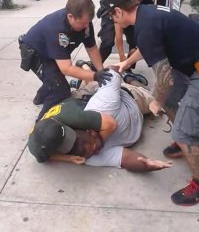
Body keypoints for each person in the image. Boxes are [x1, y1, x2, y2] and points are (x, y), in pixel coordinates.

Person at [100, 0, 199, 206]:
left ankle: (195, 170)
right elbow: (149, 46)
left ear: (118, 11)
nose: (112, 20)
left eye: (110, 15)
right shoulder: (147, 14)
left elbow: (165, 79)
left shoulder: (144, 28)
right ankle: (186, 139)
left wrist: (156, 101)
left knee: (182, 129)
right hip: (190, 64)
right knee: (172, 102)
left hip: (195, 70)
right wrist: (126, 62)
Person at [28, 69, 172, 172]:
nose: (91, 149)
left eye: (82, 141)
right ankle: (85, 72)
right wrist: (146, 164)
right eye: (81, 150)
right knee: (87, 89)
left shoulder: (99, 108)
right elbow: (126, 159)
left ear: (88, 130)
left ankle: (96, 71)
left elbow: (111, 75)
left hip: (132, 98)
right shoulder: (87, 156)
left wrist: (104, 72)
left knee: (158, 100)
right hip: (80, 103)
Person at [18, 0, 112, 121]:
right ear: (70, 17)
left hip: (53, 52)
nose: (86, 26)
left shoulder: (85, 23)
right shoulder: (57, 29)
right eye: (83, 23)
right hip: (37, 53)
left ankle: (40, 97)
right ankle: (41, 126)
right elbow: (66, 68)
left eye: (88, 23)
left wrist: (101, 70)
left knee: (55, 79)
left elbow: (91, 48)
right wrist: (94, 76)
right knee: (60, 90)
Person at [97, 0, 153, 64]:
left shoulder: (148, 3)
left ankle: (128, 66)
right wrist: (121, 56)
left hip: (126, 17)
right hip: (112, 12)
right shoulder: (121, 5)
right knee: (107, 42)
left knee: (133, 41)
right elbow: (118, 35)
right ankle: (96, 66)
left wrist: (136, 49)